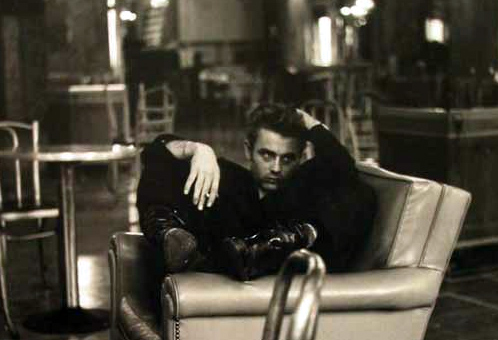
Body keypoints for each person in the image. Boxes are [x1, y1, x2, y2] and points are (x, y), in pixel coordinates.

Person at [137, 103, 376, 281]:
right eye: (267, 155)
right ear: (248, 150)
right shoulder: (231, 179)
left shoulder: (300, 187)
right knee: (167, 168)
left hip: (274, 255)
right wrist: (198, 150)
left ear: (301, 157)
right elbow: (154, 154)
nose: (276, 168)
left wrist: (310, 123)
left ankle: (271, 246)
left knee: (363, 194)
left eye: (287, 159)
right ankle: (167, 233)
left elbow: (344, 168)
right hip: (209, 256)